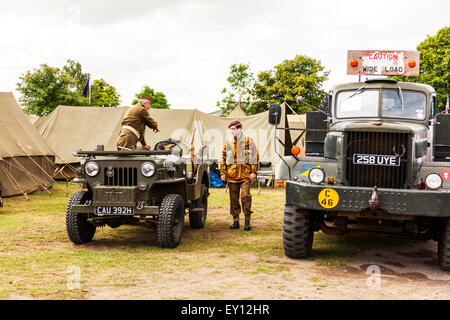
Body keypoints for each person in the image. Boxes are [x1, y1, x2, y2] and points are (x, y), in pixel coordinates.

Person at [220, 120, 259, 231]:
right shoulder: (228, 142)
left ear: (239, 129)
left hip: (245, 174)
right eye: (230, 129)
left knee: (246, 196)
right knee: (233, 199)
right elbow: (223, 157)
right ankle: (235, 221)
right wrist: (223, 172)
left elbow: (255, 156)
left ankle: (247, 221)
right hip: (232, 175)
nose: (231, 131)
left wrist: (253, 172)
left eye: (233, 129)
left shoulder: (248, 141)